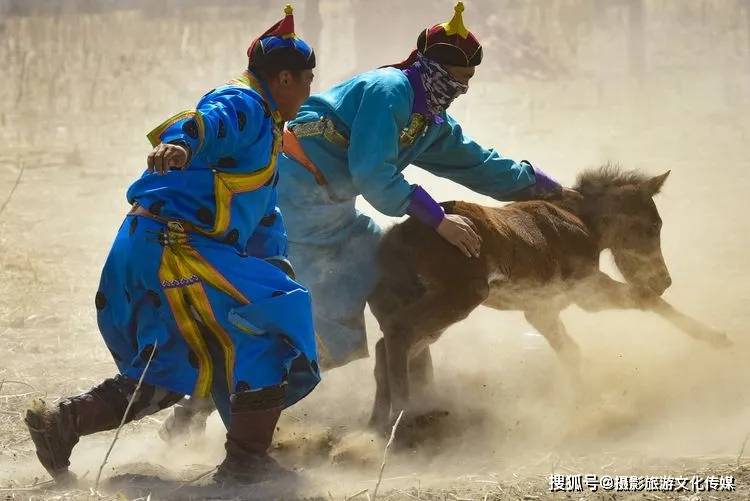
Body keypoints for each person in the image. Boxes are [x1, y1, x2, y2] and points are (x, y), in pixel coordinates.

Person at [24, 5, 319, 485]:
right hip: (176, 247)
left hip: (151, 244)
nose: (309, 91)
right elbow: (207, 120)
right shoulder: (245, 103)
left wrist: (276, 270)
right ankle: (247, 463)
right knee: (272, 327)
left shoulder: (268, 132)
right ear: (283, 78)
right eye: (306, 80)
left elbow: (265, 222)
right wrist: (181, 144)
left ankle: (64, 422)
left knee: (173, 365)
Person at [278, 1, 570, 369]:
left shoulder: (429, 118)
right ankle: (245, 400)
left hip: (333, 211)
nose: (461, 87)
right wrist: (438, 219)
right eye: (456, 77)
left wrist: (539, 185)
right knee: (333, 308)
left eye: (468, 79)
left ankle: (418, 406)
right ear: (431, 69)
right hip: (293, 204)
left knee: (399, 286)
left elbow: (475, 162)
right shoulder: (388, 91)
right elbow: (372, 174)